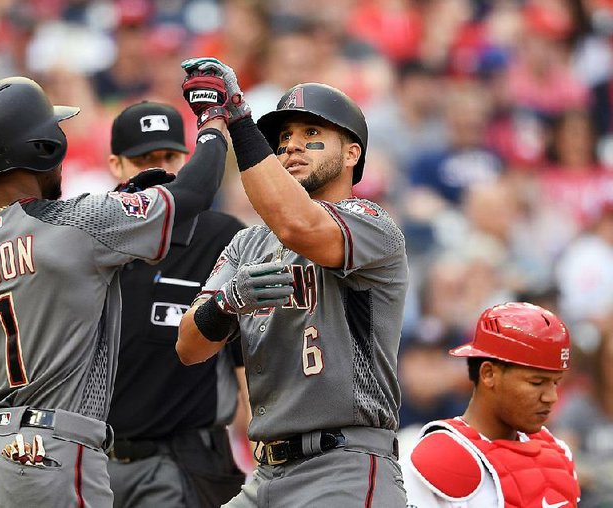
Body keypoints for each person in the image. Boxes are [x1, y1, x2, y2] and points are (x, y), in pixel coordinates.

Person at [0, 76, 229, 508]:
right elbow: (194, 191)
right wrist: (212, 121)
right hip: (53, 451)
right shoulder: (76, 223)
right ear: (44, 148)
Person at [176, 58, 409, 506]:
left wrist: (239, 119)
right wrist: (226, 304)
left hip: (342, 465)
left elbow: (299, 227)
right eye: (283, 139)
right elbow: (188, 346)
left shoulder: (372, 224)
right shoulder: (248, 244)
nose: (292, 147)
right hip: (264, 476)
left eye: (312, 136)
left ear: (352, 153)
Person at [104, 101, 247, 508]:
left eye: (169, 156)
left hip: (182, 461)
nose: (159, 168)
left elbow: (248, 367)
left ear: (187, 159)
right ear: (116, 165)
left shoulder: (221, 238)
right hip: (96, 460)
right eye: (144, 159)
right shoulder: (95, 238)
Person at [401, 302, 581, 508]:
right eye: (536, 382)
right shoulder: (434, 462)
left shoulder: (559, 453)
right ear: (488, 374)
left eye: (555, 382)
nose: (551, 397)